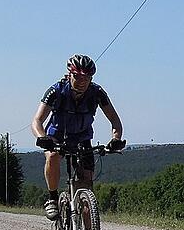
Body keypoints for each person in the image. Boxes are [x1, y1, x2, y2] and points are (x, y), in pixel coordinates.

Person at [31, 54, 126, 220]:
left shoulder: (97, 92)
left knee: (86, 186)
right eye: (77, 76)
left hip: (82, 139)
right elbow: (37, 120)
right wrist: (42, 136)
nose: (82, 81)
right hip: (56, 137)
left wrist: (116, 139)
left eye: (87, 77)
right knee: (52, 157)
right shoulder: (56, 90)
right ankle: (52, 199)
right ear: (69, 74)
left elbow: (115, 121)